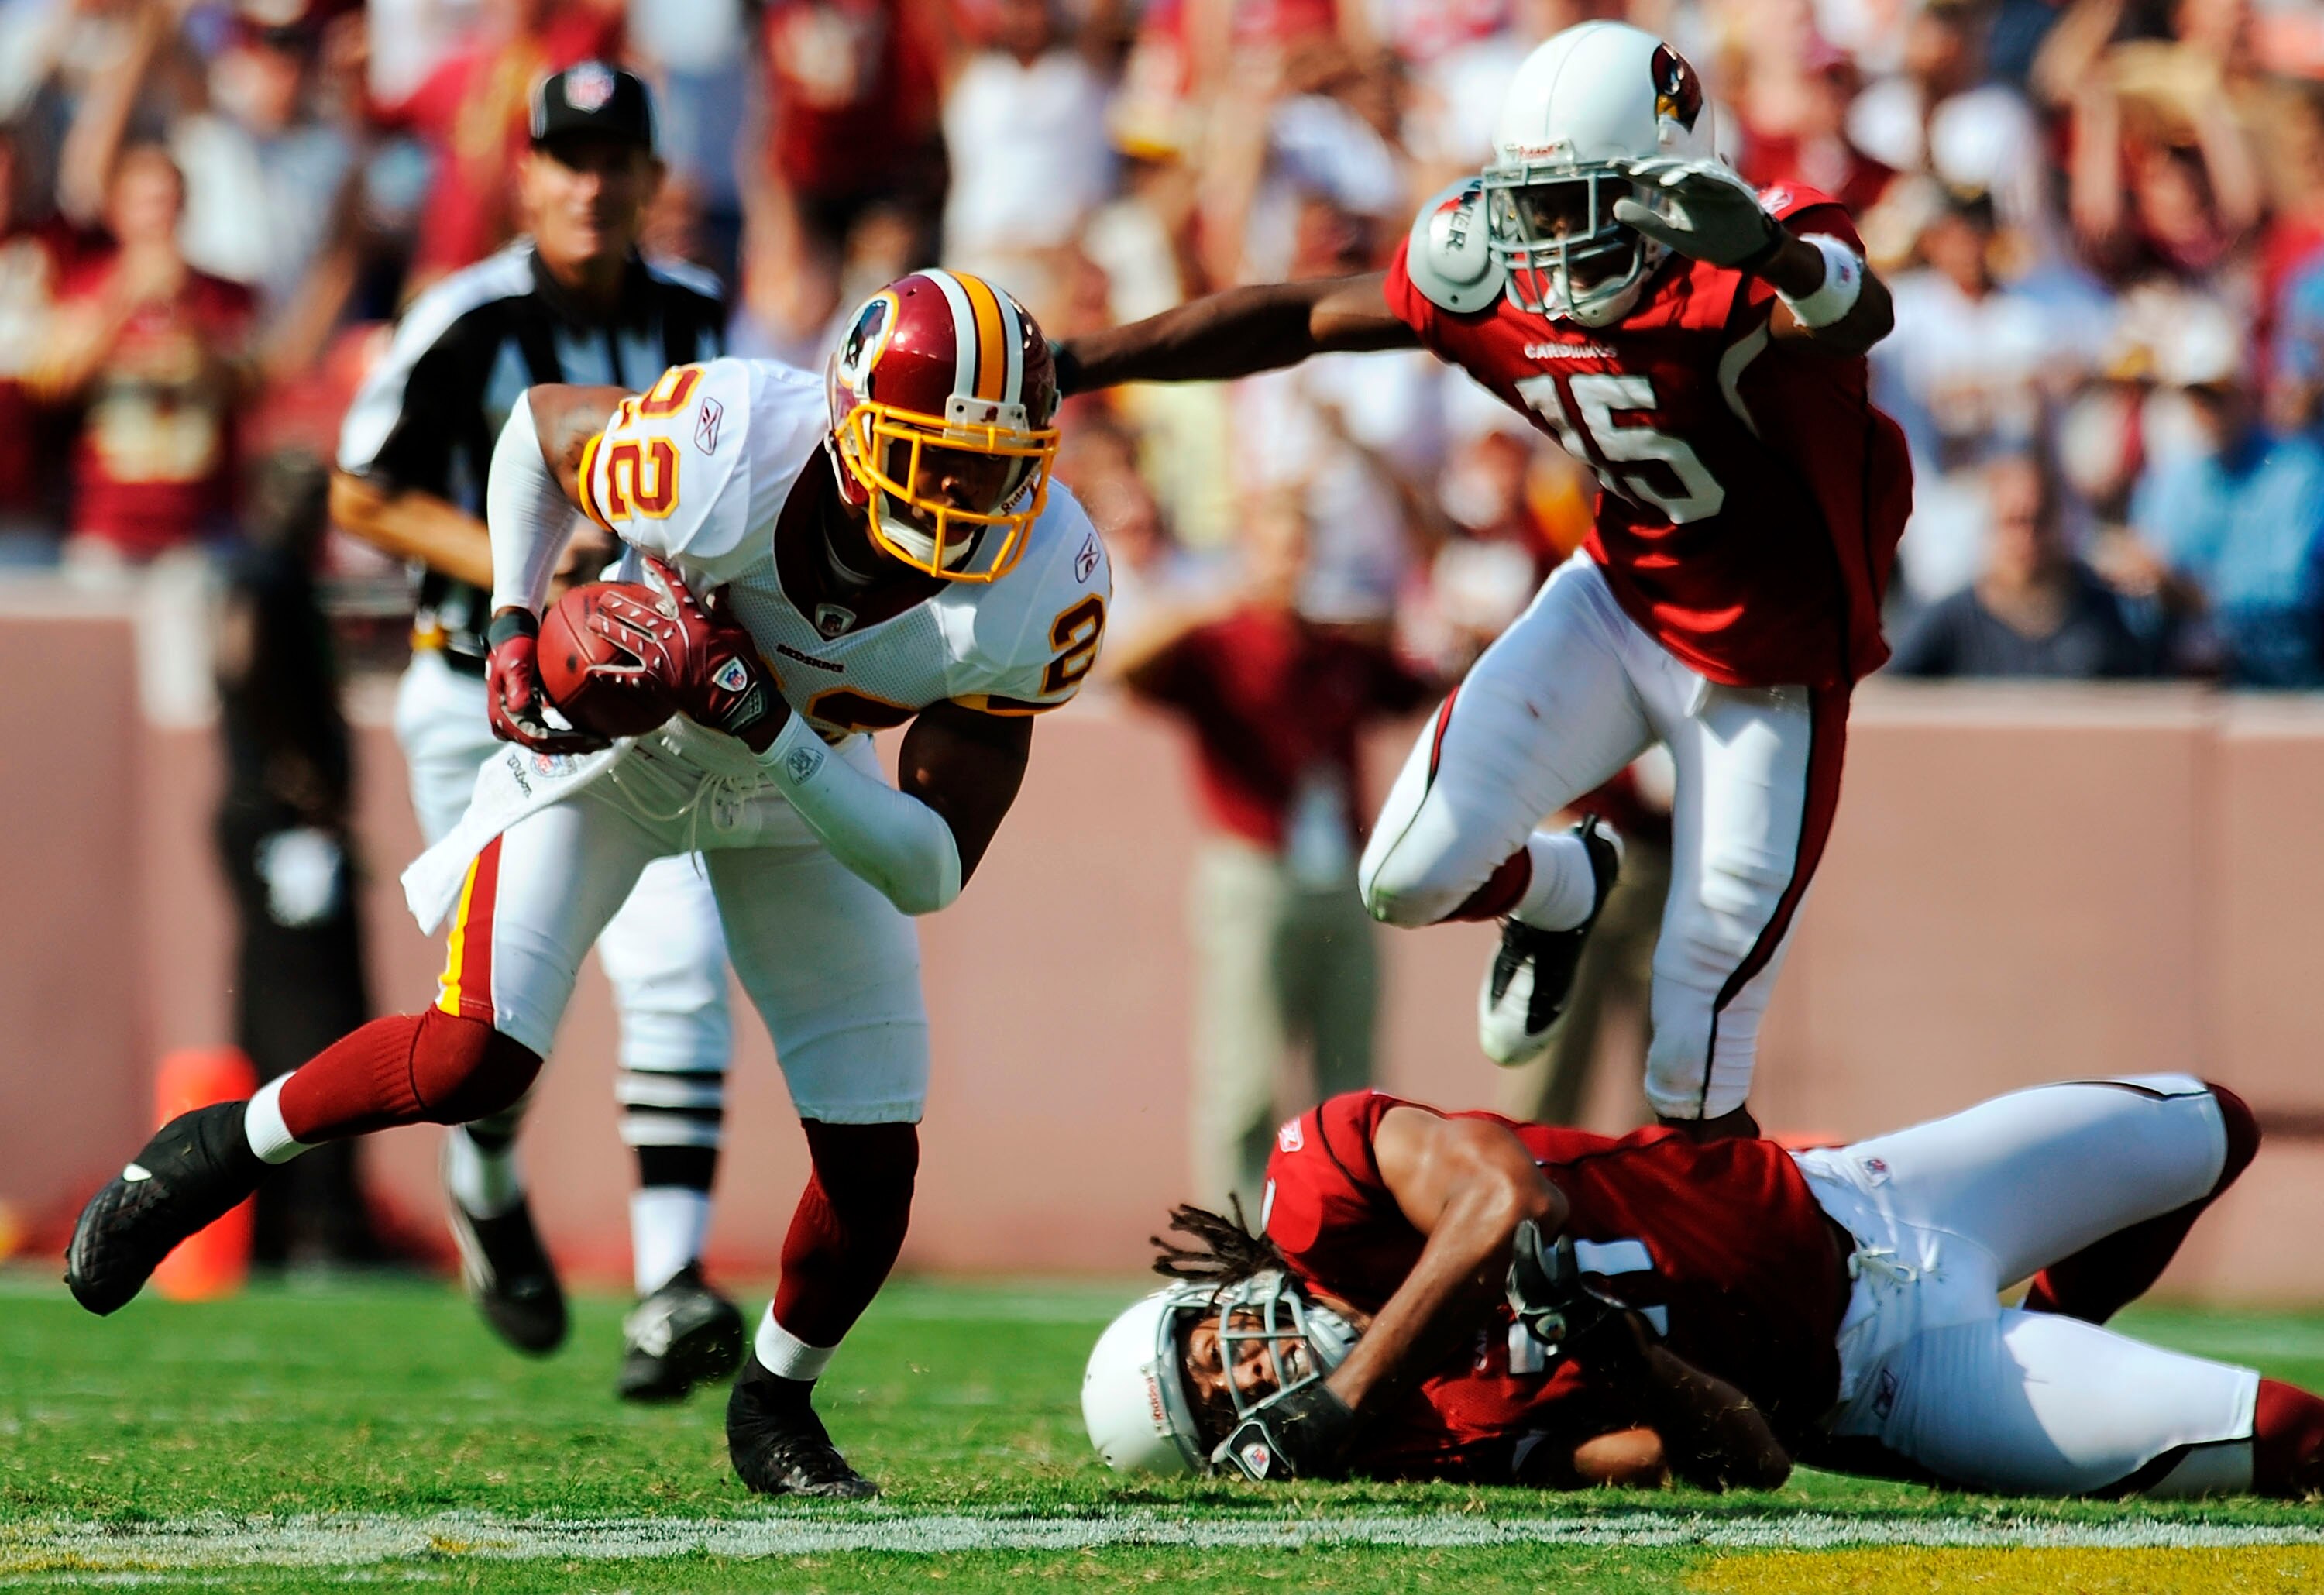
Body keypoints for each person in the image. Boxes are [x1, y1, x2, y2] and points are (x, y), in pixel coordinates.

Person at [67, 268, 1113, 1503]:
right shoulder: (730, 445)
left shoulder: (1045, 582)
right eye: (935, 458)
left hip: (808, 775)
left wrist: (772, 730)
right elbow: (539, 432)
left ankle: (774, 1402)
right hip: (637, 736)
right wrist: (513, 621)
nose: (963, 496)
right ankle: (212, 1150)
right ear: (852, 426)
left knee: (873, 1153)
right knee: (475, 1056)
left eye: (993, 468)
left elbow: (929, 866)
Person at [1056, 20, 1912, 1140]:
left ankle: (1705, 1280)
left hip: (1772, 666)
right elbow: (1297, 316)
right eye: (1531, 202)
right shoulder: (1490, 270)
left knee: (1697, 1063)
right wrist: (1074, 362)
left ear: (1668, 189)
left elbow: (1858, 310)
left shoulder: (1750, 261)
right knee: (1406, 875)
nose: (1545, 238)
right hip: (1620, 600)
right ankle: (1563, 887)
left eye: (1579, 203)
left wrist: (1771, 255)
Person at [330, 64, 741, 1401]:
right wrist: (527, 576)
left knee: (678, 953)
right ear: (527, 175)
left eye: (618, 156)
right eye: (568, 157)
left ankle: (670, 1282)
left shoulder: (693, 312)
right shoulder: (468, 318)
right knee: (502, 1019)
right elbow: (362, 493)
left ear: (650, 178)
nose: (592, 181)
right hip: (478, 690)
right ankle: (485, 1172)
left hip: (635, 702)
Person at [1083, 1074, 2324, 1499]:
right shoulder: (1442, 1440)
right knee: (2291, 1436)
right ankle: (2034, 1361)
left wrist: (1352, 1385)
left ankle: (2053, 1324)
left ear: (1218, 1302)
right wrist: (1638, 1367)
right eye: (1222, 1398)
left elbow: (1508, 1199)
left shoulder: (1327, 1191)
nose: (1248, 1366)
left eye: (1211, 1349)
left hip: (1871, 1193)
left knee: (2211, 1122)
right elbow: (1746, 1462)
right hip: (1886, 1384)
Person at [1111, 490, 1435, 1215]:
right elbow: (1125, 668)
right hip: (1253, 872)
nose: (1291, 561)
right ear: (1249, 549)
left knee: (1351, 1081)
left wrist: (1384, 620)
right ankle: (1235, 1250)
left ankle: (1344, 1242)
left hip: (1344, 879)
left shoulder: (1335, 647)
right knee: (1245, 1078)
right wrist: (1203, 601)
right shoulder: (1218, 640)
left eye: (1300, 544)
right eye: (1276, 544)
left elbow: (1417, 680)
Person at [214, 451, 380, 1268]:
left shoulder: (273, 571)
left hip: (273, 821)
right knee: (317, 1013)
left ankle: (281, 1218)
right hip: (283, 825)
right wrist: (297, 770)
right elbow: (242, 656)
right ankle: (320, 1217)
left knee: (281, 1008)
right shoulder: (266, 573)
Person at [33, 143, 253, 574]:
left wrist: (190, 316)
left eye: (169, 202)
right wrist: (123, 300)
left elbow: (248, 391)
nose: (159, 217)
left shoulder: (223, 297)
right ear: (118, 212)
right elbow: (56, 386)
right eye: (147, 203)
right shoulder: (83, 287)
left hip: (196, 528)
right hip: (107, 525)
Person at [1889, 452, 2155, 679]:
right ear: (1989, 527)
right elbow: (1886, 697)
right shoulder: (1951, 621)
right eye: (2014, 522)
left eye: (2039, 520)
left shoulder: (2101, 614)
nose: (2027, 537)